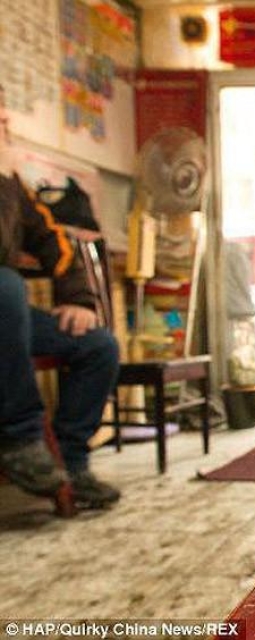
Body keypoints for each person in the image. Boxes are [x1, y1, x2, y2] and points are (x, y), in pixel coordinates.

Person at [0, 85, 121, 509]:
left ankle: (70, 463)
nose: (5, 123)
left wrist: (80, 300)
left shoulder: (11, 185)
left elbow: (58, 244)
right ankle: (21, 438)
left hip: (6, 318)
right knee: (6, 285)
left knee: (98, 344)